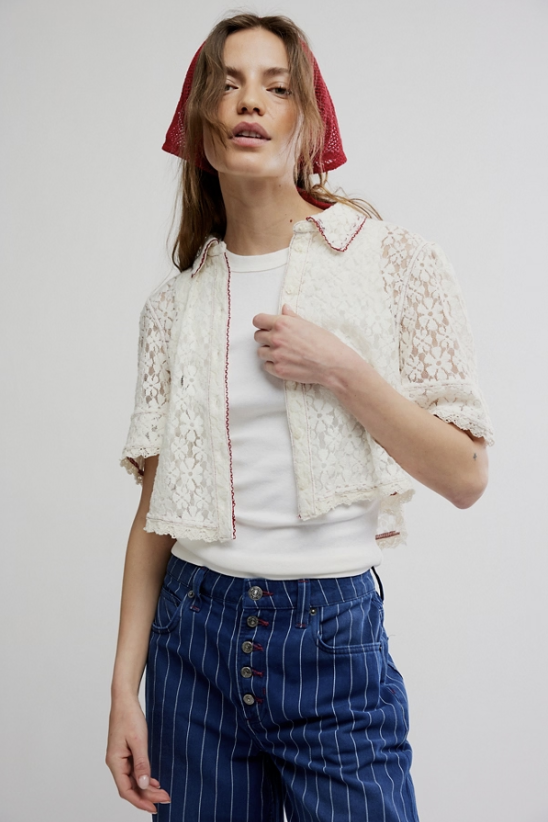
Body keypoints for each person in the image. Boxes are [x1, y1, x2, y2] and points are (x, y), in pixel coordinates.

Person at [106, 12, 494, 822]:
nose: (251, 102)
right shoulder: (172, 308)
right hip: (191, 646)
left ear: (308, 121)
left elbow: (466, 476)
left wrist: (343, 371)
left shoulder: (392, 262)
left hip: (333, 643)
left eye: (277, 88)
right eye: (229, 85)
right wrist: (123, 691)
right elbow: (155, 512)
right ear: (201, 124)